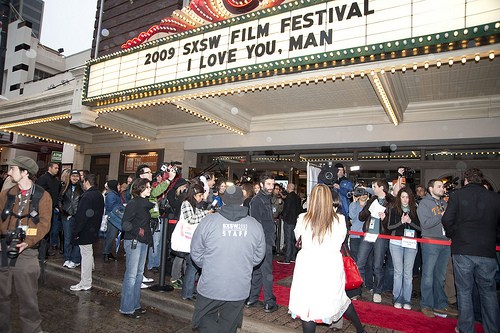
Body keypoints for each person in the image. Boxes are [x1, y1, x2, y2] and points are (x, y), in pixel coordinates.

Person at [289, 185, 366, 333]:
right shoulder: (339, 220)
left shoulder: (302, 219)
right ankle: (361, 330)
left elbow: (299, 239)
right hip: (329, 265)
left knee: (308, 307)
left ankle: (361, 330)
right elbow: (340, 241)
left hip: (308, 265)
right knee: (339, 299)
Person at [190, 185, 266, 332]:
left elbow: (196, 252)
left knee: (206, 320)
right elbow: (258, 257)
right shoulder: (255, 226)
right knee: (229, 324)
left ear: (223, 202)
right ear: (242, 202)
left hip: (211, 284)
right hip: (239, 286)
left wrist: (208, 266)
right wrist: (244, 265)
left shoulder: (208, 222)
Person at [442, 168, 500, 333]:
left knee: (464, 291)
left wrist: (455, 234)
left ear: (465, 180)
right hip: (487, 250)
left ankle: (466, 328)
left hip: (463, 249)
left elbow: (447, 219)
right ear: (482, 180)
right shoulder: (495, 198)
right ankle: (493, 329)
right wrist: (492, 237)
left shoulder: (458, 195)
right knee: (488, 292)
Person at [0, 156, 52, 333]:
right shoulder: (6, 194)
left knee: (28, 298)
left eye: (12, 169)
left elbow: (44, 224)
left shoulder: (42, 196)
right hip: (3, 248)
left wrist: (27, 242)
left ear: (24, 172)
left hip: (27, 251)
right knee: (1, 297)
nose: (8, 172)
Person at [417, 179, 457, 318]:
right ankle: (426, 304)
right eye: (439, 186)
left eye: (442, 186)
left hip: (445, 243)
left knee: (440, 276)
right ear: (431, 188)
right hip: (431, 241)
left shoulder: (444, 203)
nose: (442, 188)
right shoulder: (424, 203)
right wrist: (441, 216)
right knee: (428, 275)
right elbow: (426, 224)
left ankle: (440, 304)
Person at [119, 178, 154, 318]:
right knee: (132, 276)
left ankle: (134, 304)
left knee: (139, 275)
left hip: (143, 241)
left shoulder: (146, 204)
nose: (150, 189)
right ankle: (126, 307)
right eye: (147, 187)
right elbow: (125, 223)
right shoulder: (133, 203)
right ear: (140, 189)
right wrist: (139, 230)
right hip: (134, 241)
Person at [357, 179, 394, 303]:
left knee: (377, 266)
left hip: (381, 236)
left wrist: (385, 218)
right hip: (368, 235)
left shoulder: (391, 202)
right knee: (360, 262)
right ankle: (358, 289)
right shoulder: (372, 200)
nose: (373, 189)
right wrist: (368, 210)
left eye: (375, 186)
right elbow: (361, 217)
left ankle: (377, 291)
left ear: (382, 188)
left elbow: (392, 224)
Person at [246, 171, 279, 313]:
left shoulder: (266, 199)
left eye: (272, 184)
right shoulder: (258, 200)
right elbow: (255, 224)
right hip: (262, 242)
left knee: (259, 271)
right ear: (261, 184)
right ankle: (269, 302)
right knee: (267, 271)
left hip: (265, 240)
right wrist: (261, 243)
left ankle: (252, 299)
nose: (271, 187)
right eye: (268, 184)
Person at [387, 187, 421, 310]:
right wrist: (401, 222)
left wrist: (410, 222)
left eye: (407, 197)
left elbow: (420, 228)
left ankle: (407, 299)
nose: (405, 200)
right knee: (398, 271)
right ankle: (397, 297)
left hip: (411, 243)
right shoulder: (394, 209)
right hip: (396, 242)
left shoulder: (415, 209)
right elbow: (390, 226)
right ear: (399, 198)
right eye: (403, 197)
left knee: (408, 273)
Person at [70, 173, 105, 291]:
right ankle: (86, 280)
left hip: (85, 230)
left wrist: (76, 232)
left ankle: (85, 282)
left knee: (85, 256)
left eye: (83, 182)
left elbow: (82, 217)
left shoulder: (87, 196)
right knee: (88, 254)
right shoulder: (99, 195)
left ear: (86, 182)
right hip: (93, 229)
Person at [179, 182, 211, 301]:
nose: (201, 198)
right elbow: (191, 219)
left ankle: (188, 292)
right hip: (188, 239)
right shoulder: (186, 204)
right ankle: (187, 293)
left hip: (193, 239)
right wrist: (206, 213)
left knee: (192, 267)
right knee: (191, 267)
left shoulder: (195, 205)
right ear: (194, 195)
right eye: (200, 195)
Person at [348, 186, 374, 292]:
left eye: (365, 193)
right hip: (355, 236)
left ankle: (369, 285)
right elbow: (353, 216)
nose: (363, 195)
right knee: (357, 262)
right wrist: (354, 201)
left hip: (368, 236)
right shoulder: (353, 205)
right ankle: (358, 284)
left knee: (369, 262)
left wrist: (365, 188)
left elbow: (374, 193)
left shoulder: (371, 205)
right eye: (361, 193)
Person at [59, 169, 83, 269]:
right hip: (66, 217)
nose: (75, 178)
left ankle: (75, 259)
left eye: (77, 176)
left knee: (77, 238)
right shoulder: (65, 188)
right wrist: (64, 211)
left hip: (77, 217)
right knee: (67, 238)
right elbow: (60, 200)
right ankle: (67, 257)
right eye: (73, 175)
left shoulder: (81, 189)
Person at [36, 161, 61, 254]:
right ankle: (40, 251)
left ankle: (45, 250)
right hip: (43, 208)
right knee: (43, 230)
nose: (57, 170)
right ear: (49, 168)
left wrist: (56, 206)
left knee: (48, 230)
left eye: (58, 168)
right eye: (55, 168)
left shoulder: (55, 181)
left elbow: (56, 195)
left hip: (52, 209)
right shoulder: (42, 179)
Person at [278, 183, 302, 264]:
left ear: (288, 188)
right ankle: (293, 256)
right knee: (294, 239)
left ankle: (287, 258)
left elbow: (286, 209)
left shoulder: (289, 197)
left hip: (288, 221)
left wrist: (284, 217)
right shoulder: (297, 197)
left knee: (288, 239)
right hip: (295, 221)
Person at [103, 180, 124, 263]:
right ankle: (106, 253)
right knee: (110, 236)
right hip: (112, 218)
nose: (120, 186)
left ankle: (109, 252)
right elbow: (112, 206)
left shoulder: (114, 194)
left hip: (114, 217)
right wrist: (122, 206)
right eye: (118, 185)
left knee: (112, 236)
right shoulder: (111, 195)